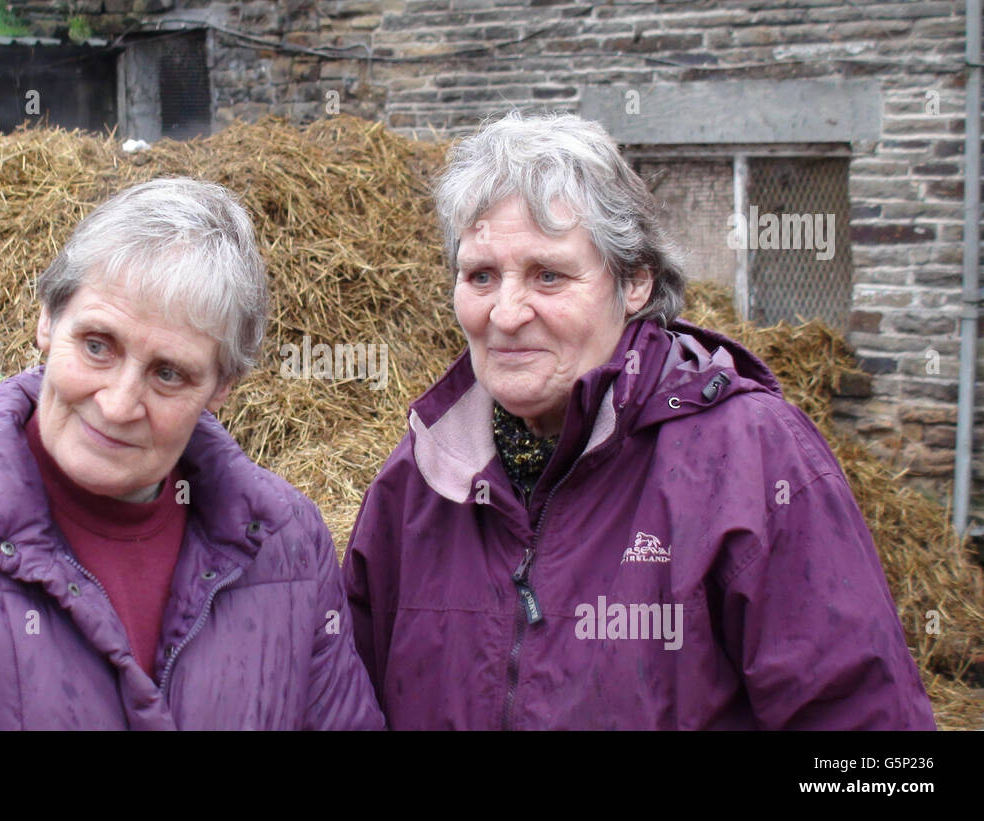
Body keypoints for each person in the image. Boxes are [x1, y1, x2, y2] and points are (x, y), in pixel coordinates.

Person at [342, 111, 936, 730]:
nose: (507, 312)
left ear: (634, 283)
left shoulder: (751, 462)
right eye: (481, 276)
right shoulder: (422, 477)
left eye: (549, 275)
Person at [0, 177, 384, 730]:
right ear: (47, 322)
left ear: (220, 388)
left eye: (169, 374)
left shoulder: (286, 544)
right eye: (98, 346)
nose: (117, 404)